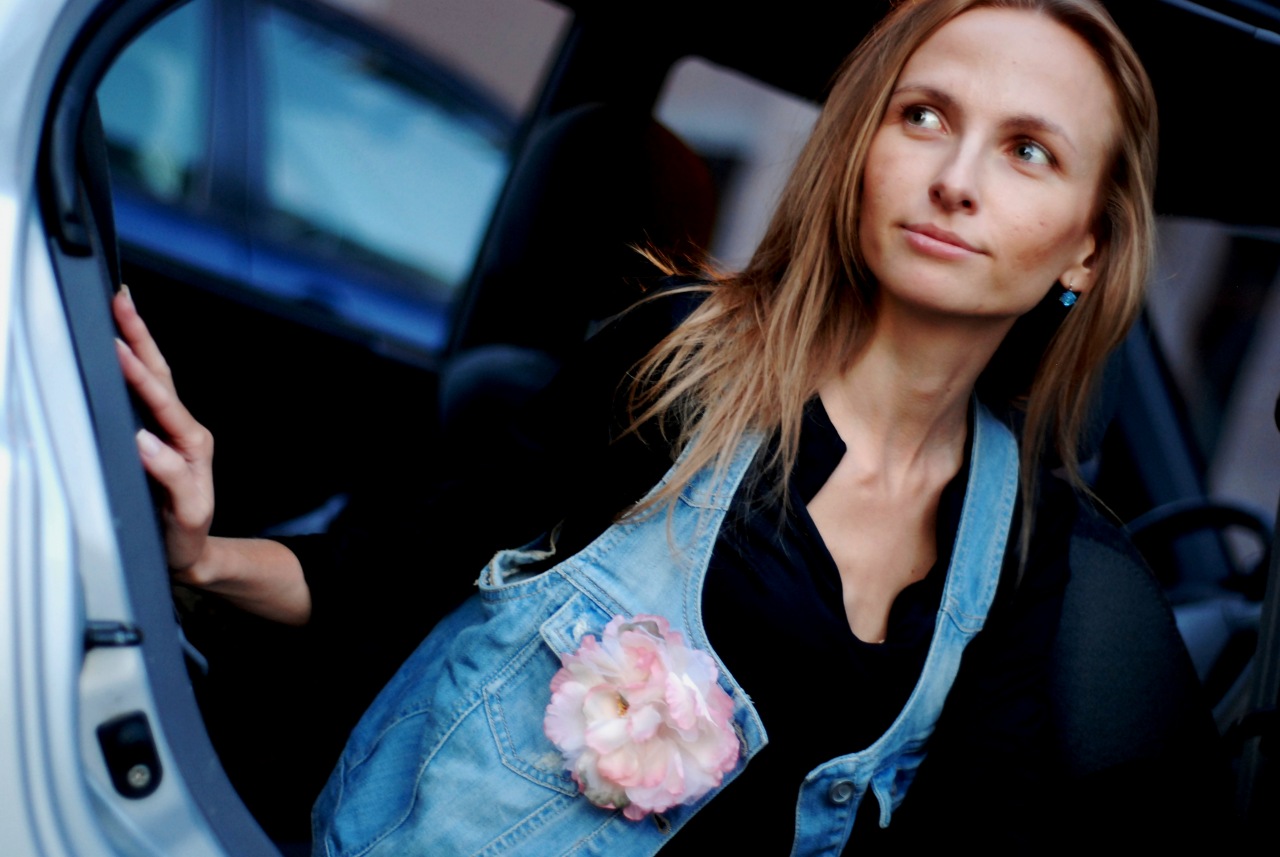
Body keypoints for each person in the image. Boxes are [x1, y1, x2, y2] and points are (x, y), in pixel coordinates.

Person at [113, 0, 1162, 852]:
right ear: (860, 148)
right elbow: (399, 576)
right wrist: (205, 559)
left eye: (1028, 150)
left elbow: (975, 822)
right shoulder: (682, 359)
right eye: (922, 116)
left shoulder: (1019, 530)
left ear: (1087, 249)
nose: (954, 180)